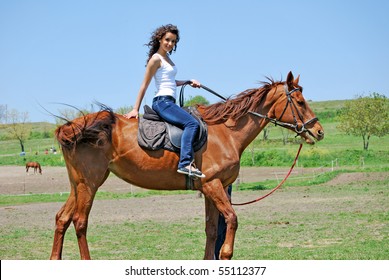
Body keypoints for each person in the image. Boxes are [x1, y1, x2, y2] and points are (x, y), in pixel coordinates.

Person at [124, 24, 205, 178]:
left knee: (194, 121)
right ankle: (185, 163)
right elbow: (144, 85)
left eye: (173, 41)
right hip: (162, 102)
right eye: (167, 40)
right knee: (192, 123)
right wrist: (135, 109)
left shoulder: (167, 58)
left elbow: (170, 82)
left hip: (170, 101)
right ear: (160, 39)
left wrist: (188, 82)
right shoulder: (156, 59)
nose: (170, 43)